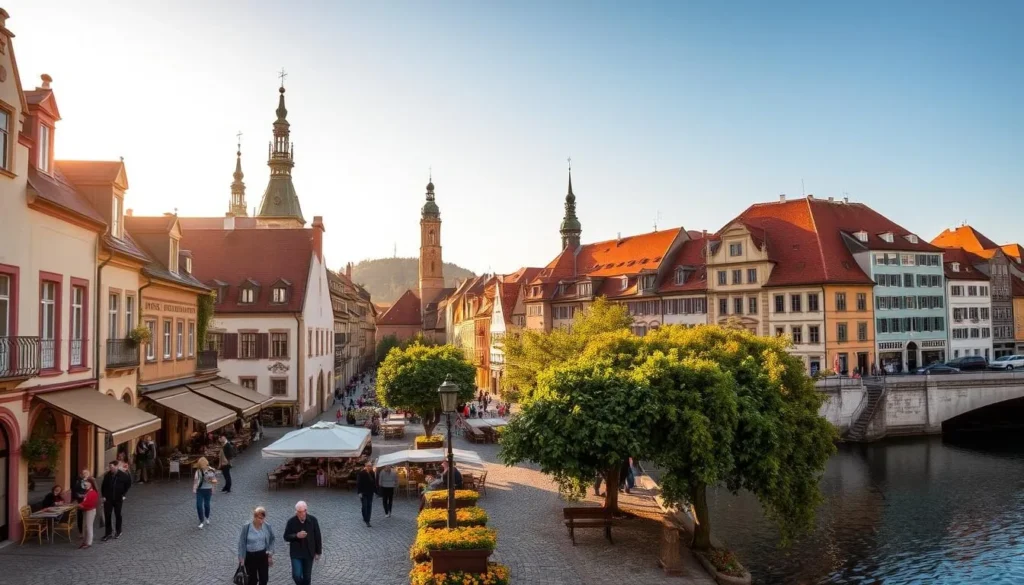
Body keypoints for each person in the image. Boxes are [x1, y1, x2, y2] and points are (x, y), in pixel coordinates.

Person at [283, 501, 322, 585]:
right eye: (298, 512)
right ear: (296, 511)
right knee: (296, 575)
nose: (301, 514)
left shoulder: (313, 520)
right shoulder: (291, 522)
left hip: (309, 552)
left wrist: (318, 552)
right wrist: (296, 536)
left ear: (306, 510)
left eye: (302, 511)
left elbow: (318, 536)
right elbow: (286, 536)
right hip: (296, 553)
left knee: (307, 577)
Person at [238, 505, 276, 585]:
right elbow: (242, 542)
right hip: (250, 556)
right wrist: (241, 558)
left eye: (263, 518)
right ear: (254, 517)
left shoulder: (267, 526)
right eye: (259, 518)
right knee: (252, 580)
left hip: (263, 555)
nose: (261, 521)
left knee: (264, 579)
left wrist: (270, 553)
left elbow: (272, 539)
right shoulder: (247, 527)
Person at [100, 460, 131, 541]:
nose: (110, 468)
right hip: (108, 499)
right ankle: (108, 533)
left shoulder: (123, 475)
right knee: (107, 515)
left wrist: (123, 494)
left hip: (118, 499)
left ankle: (118, 531)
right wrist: (103, 496)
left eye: (112, 467)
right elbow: (103, 486)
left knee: (118, 515)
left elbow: (128, 484)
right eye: (109, 467)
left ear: (116, 466)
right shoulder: (107, 475)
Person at [193, 456, 218, 529]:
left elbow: (215, 480)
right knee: (198, 505)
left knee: (207, 505)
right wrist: (194, 488)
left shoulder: (211, 470)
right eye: (201, 465)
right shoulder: (198, 471)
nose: (202, 467)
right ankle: (201, 520)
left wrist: (210, 480)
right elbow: (195, 480)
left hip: (208, 489)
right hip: (200, 490)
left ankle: (207, 517)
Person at [78, 477, 100, 549]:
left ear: (91, 483)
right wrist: (82, 504)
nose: (85, 484)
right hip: (86, 510)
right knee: (85, 527)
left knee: (89, 527)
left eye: (87, 482)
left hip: (90, 511)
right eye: (85, 482)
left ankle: (89, 542)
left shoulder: (93, 492)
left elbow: (90, 503)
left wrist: (81, 505)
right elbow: (85, 501)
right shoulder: (88, 492)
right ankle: (85, 541)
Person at [71, 469, 91, 537]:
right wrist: (77, 496)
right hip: (80, 501)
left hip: (88, 501)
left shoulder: (91, 481)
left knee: (88, 517)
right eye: (83, 473)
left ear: (88, 474)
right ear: (81, 475)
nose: (84, 474)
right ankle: (81, 532)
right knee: (80, 517)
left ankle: (87, 532)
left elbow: (95, 491)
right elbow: (74, 491)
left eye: (86, 473)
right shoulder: (77, 481)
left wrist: (88, 496)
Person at [356, 463, 376, 527]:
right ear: (365, 466)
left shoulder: (372, 473)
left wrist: (375, 491)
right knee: (364, 506)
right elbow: (358, 483)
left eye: (370, 466)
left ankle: (368, 520)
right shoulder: (361, 473)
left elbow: (374, 483)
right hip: (363, 492)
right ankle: (365, 517)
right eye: (368, 466)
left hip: (370, 492)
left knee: (369, 506)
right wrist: (359, 492)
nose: (369, 467)